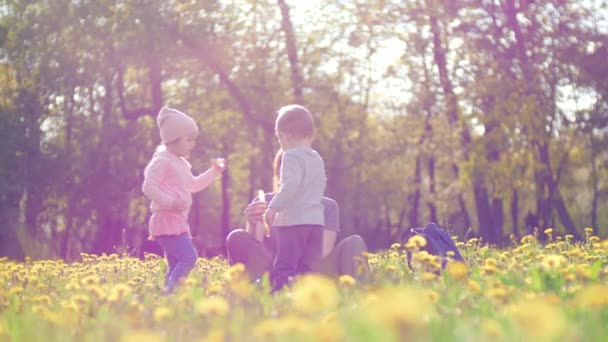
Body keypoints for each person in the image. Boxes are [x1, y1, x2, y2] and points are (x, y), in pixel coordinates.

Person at [226, 149, 368, 283]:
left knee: (354, 242)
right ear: (278, 174)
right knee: (236, 236)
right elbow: (256, 247)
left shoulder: (328, 206)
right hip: (271, 273)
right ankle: (262, 292)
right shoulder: (263, 203)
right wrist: (251, 223)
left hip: (312, 275)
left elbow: (322, 253)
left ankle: (361, 299)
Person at [142, 106, 226, 292]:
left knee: (175, 265)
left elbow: (193, 185)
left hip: (177, 221)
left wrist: (213, 172)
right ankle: (169, 295)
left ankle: (164, 296)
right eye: (189, 140)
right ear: (173, 139)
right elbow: (148, 187)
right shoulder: (162, 160)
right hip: (165, 220)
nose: (192, 144)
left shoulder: (180, 163)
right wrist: (171, 202)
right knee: (189, 258)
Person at [262, 104, 327, 291]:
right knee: (309, 268)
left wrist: (273, 207)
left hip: (293, 221)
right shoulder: (316, 157)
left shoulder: (290, 156)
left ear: (285, 135)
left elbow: (291, 185)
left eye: (279, 138)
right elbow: (322, 184)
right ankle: (308, 301)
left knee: (285, 265)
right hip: (316, 222)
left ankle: (280, 299)